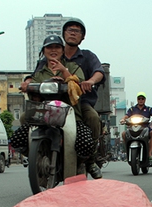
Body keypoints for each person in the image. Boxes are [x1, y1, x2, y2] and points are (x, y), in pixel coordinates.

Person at [21, 18, 105, 177]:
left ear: (82, 37)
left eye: (77, 31)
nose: (54, 51)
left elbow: (98, 72)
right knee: (26, 117)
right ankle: (36, 155)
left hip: (78, 103)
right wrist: (27, 82)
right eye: (69, 30)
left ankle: (90, 160)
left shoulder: (84, 58)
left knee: (93, 118)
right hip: (49, 103)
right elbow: (34, 76)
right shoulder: (44, 63)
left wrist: (89, 81)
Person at [120, 92, 152, 164]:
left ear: (145, 100)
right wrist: (122, 119)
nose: (141, 100)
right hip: (133, 128)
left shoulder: (149, 109)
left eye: (142, 98)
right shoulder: (132, 109)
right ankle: (128, 153)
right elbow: (126, 116)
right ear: (137, 99)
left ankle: (149, 154)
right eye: (139, 98)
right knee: (123, 134)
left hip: (145, 128)